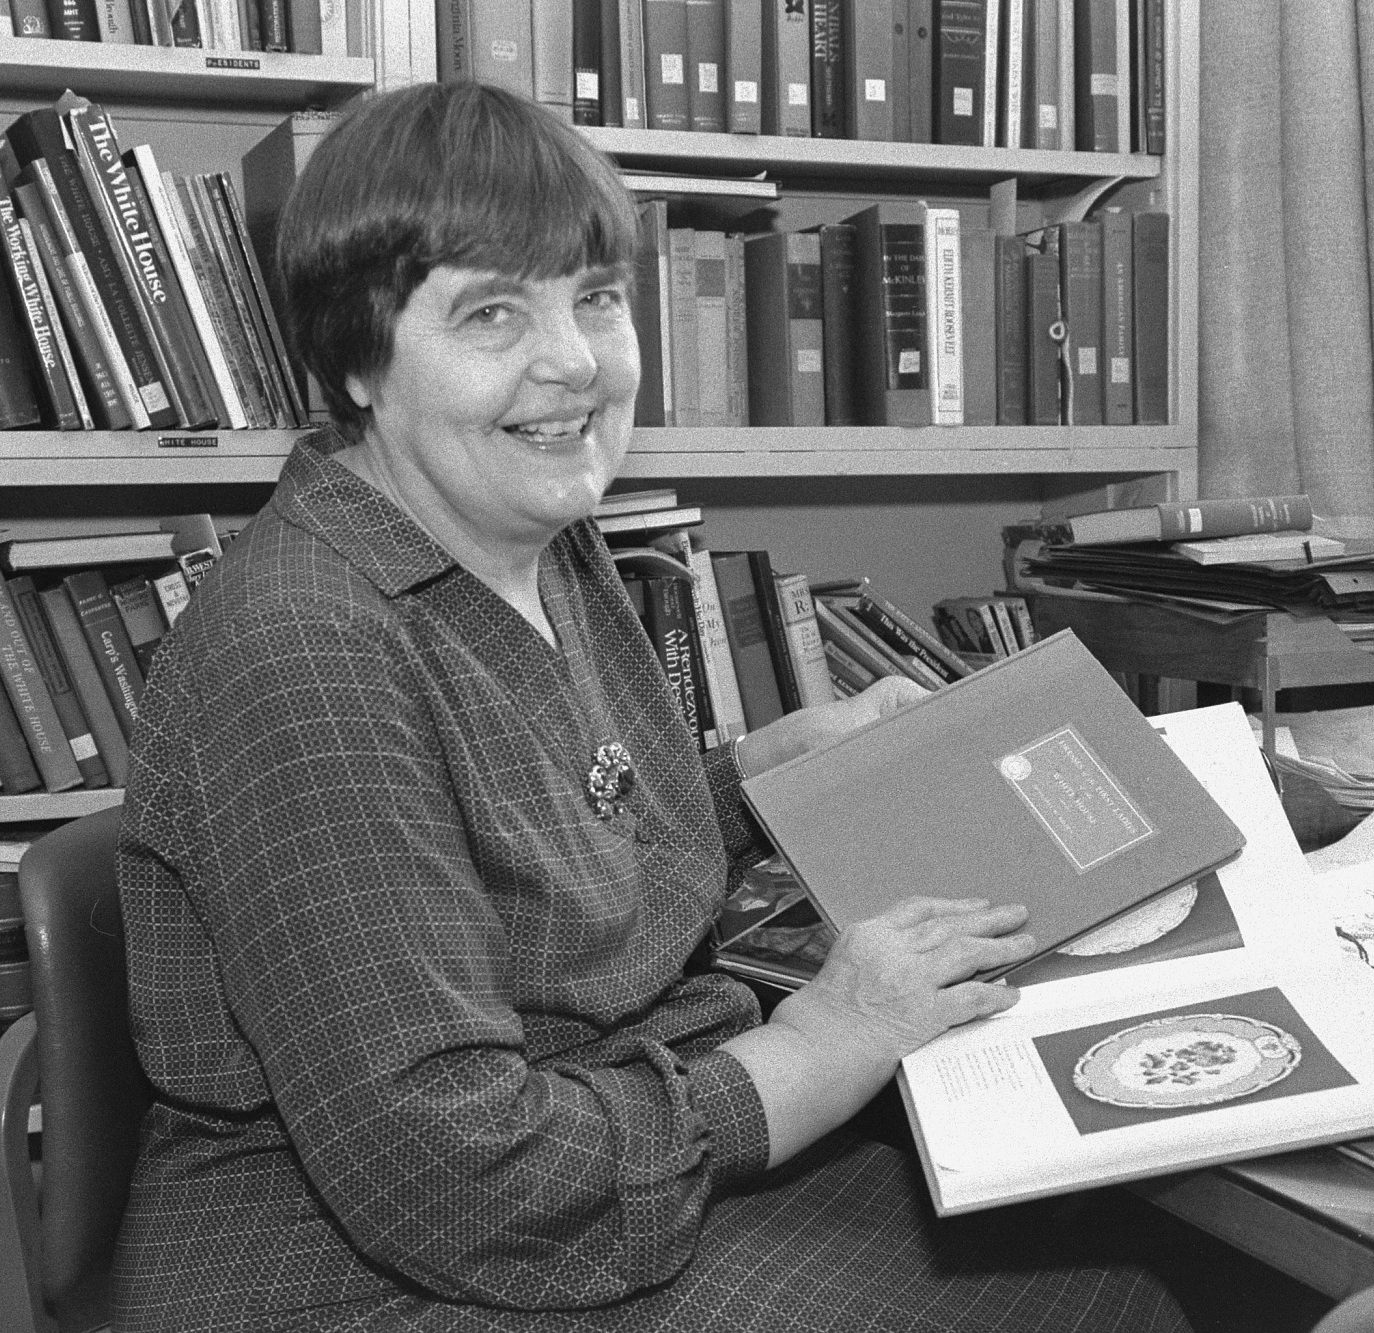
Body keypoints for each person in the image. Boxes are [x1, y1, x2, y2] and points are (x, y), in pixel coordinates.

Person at [112, 80, 1193, 1333]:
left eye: (596, 297)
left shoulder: (537, 537)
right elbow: (456, 1178)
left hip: (615, 1126)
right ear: (357, 358)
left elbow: (533, 849)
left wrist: (767, 772)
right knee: (1112, 1304)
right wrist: (826, 1040)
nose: (573, 362)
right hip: (370, 1274)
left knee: (1108, 1214)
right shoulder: (307, 651)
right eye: (491, 312)